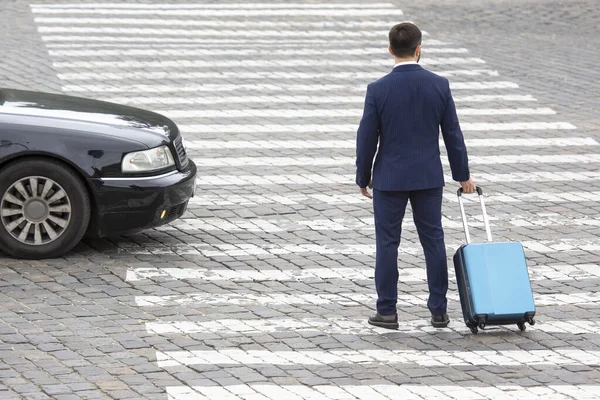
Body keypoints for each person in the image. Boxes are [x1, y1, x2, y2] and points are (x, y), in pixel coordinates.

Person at [355, 22, 476, 329]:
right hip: (427, 177)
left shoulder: (378, 89)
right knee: (433, 241)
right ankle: (439, 310)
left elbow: (366, 136)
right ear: (419, 49)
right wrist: (463, 175)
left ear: (390, 50)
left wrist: (363, 175)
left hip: (389, 178)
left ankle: (387, 310)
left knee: (387, 244)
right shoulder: (439, 85)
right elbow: (453, 133)